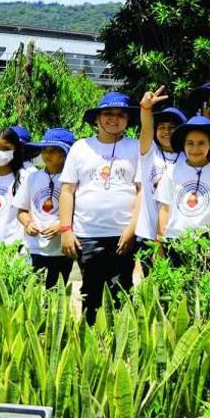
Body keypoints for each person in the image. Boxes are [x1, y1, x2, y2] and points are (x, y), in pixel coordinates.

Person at [59, 91, 140, 323]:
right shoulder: (80, 148)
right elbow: (67, 191)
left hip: (123, 234)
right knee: (91, 292)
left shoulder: (135, 148)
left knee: (122, 291)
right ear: (96, 119)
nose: (114, 119)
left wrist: (131, 229)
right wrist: (66, 230)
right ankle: (91, 343)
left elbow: (141, 191)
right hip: (87, 234)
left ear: (128, 120)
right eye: (108, 114)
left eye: (121, 114)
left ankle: (120, 345)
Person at [155, 116, 210, 260]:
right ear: (183, 144)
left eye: (201, 143)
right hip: (174, 240)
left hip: (205, 239)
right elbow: (164, 210)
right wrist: (159, 244)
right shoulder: (172, 171)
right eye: (190, 143)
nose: (195, 148)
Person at [16, 127, 76, 287]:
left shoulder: (72, 180)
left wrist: (61, 226)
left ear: (66, 155)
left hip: (61, 249)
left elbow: (79, 212)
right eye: (45, 149)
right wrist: (28, 223)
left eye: (54, 150)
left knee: (56, 294)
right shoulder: (32, 178)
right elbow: (21, 210)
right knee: (32, 292)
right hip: (34, 247)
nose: (47, 154)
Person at [132, 102, 187, 260]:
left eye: (172, 127)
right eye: (161, 127)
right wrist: (146, 109)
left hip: (178, 233)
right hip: (147, 234)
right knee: (150, 281)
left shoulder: (188, 156)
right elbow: (146, 129)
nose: (166, 131)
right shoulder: (149, 153)